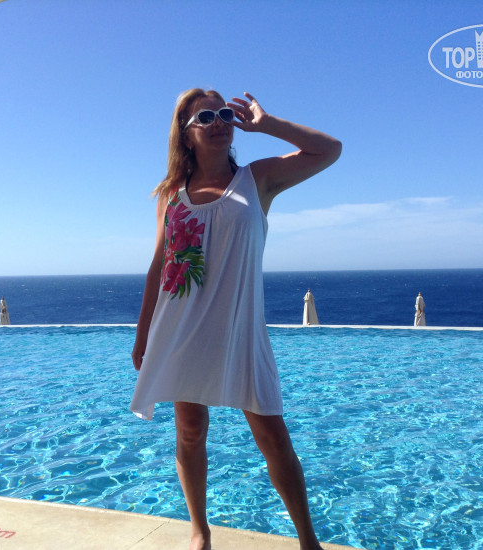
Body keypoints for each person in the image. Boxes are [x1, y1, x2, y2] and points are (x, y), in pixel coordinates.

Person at [130, 89, 341, 550]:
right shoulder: (171, 195)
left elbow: (329, 150)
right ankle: (200, 531)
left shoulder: (257, 179)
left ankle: (309, 542)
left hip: (241, 331)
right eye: (206, 116)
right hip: (181, 329)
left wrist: (267, 124)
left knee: (272, 436)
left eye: (225, 113)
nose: (220, 122)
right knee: (190, 430)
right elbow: (158, 267)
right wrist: (143, 334)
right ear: (185, 133)